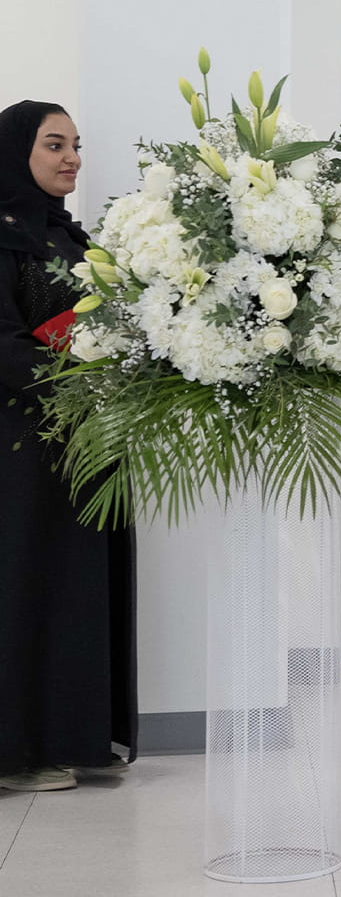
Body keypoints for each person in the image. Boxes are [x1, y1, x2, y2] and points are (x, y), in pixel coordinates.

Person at [0, 101, 137, 792]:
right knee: (26, 584)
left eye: (76, 145)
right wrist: (69, 383)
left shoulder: (70, 235)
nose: (71, 158)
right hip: (23, 444)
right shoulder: (4, 234)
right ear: (16, 150)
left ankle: (73, 736)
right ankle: (13, 753)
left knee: (77, 588)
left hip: (88, 438)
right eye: (54, 144)